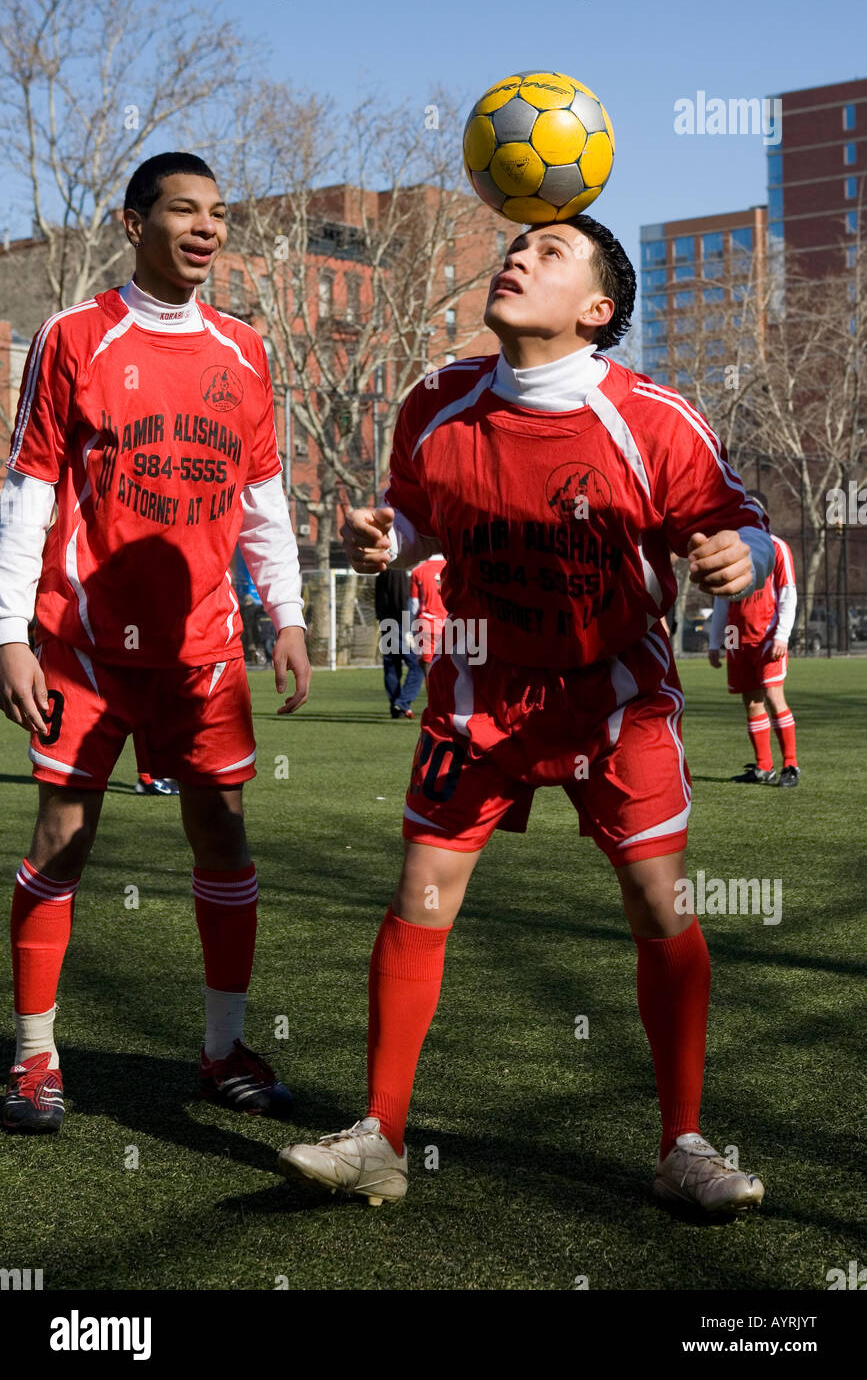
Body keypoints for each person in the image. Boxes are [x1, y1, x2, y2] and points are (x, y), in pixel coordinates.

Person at [278, 215, 774, 1214]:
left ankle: (683, 1142)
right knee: (423, 892)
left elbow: (738, 517)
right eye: (517, 246)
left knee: (659, 908)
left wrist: (742, 556)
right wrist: (386, 532)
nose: (518, 257)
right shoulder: (434, 400)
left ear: (597, 311)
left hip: (613, 703)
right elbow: (413, 502)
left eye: (551, 253)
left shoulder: (656, 419)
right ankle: (379, 1136)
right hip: (480, 690)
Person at [0, 151, 311, 1133]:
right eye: (184, 210)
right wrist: (7, 633)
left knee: (220, 826)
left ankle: (223, 1050)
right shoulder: (74, 336)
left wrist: (291, 615)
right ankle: (36, 1058)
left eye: (218, 213)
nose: (207, 227)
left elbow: (262, 500)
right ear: (133, 223)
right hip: (83, 642)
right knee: (65, 833)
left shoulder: (245, 350)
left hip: (205, 649)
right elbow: (29, 493)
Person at [708, 492, 799, 787]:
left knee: (773, 696)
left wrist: (782, 636)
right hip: (738, 641)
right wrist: (714, 641)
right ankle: (763, 767)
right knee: (751, 702)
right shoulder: (730, 552)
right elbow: (722, 600)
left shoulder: (776, 548)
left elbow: (788, 594)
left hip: (768, 638)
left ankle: (790, 766)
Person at [374, 566, 422, 719]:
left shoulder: (381, 572)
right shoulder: (398, 571)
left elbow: (378, 599)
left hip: (386, 622)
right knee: (417, 664)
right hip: (399, 623)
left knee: (392, 665)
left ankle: (396, 706)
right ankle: (402, 702)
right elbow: (401, 598)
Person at [409, 553, 448, 682]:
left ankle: (433, 701)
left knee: (428, 667)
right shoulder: (451, 567)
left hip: (428, 623)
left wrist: (410, 629)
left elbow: (414, 604)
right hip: (452, 624)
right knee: (452, 668)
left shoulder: (418, 571)